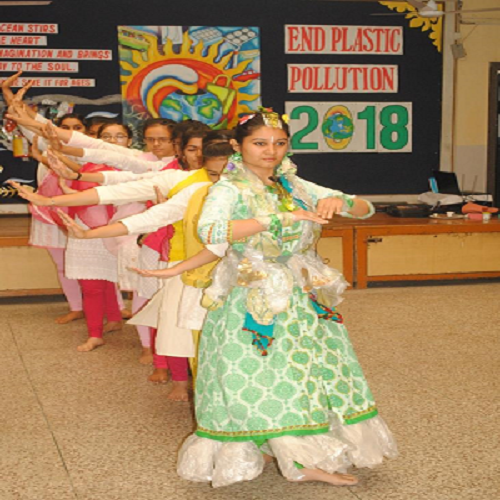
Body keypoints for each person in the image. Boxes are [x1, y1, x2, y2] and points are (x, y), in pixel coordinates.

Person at [174, 109, 398, 487]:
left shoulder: (293, 185)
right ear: (237, 145)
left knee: (304, 371)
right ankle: (289, 455)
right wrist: (280, 219)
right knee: (263, 374)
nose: (271, 151)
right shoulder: (229, 189)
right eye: (260, 143)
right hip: (251, 296)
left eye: (279, 143)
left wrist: (340, 203)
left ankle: (298, 452)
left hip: (297, 292)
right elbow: (212, 230)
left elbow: (365, 208)